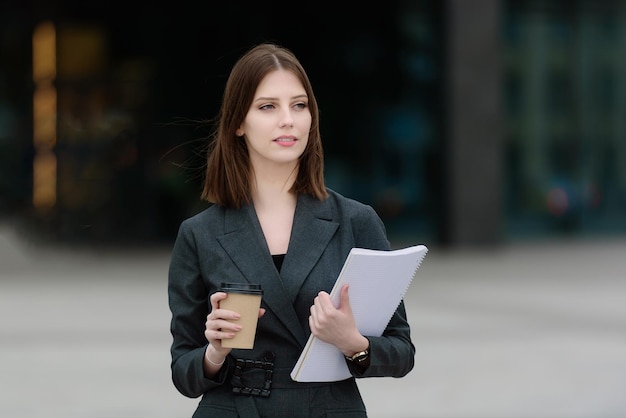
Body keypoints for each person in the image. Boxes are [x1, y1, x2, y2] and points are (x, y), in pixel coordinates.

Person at [167, 42, 415, 418]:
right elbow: (184, 374)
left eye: (299, 105)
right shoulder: (199, 233)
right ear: (238, 123)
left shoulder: (356, 221)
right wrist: (215, 351)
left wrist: (353, 343)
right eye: (268, 106)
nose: (288, 119)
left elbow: (401, 352)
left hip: (329, 408)